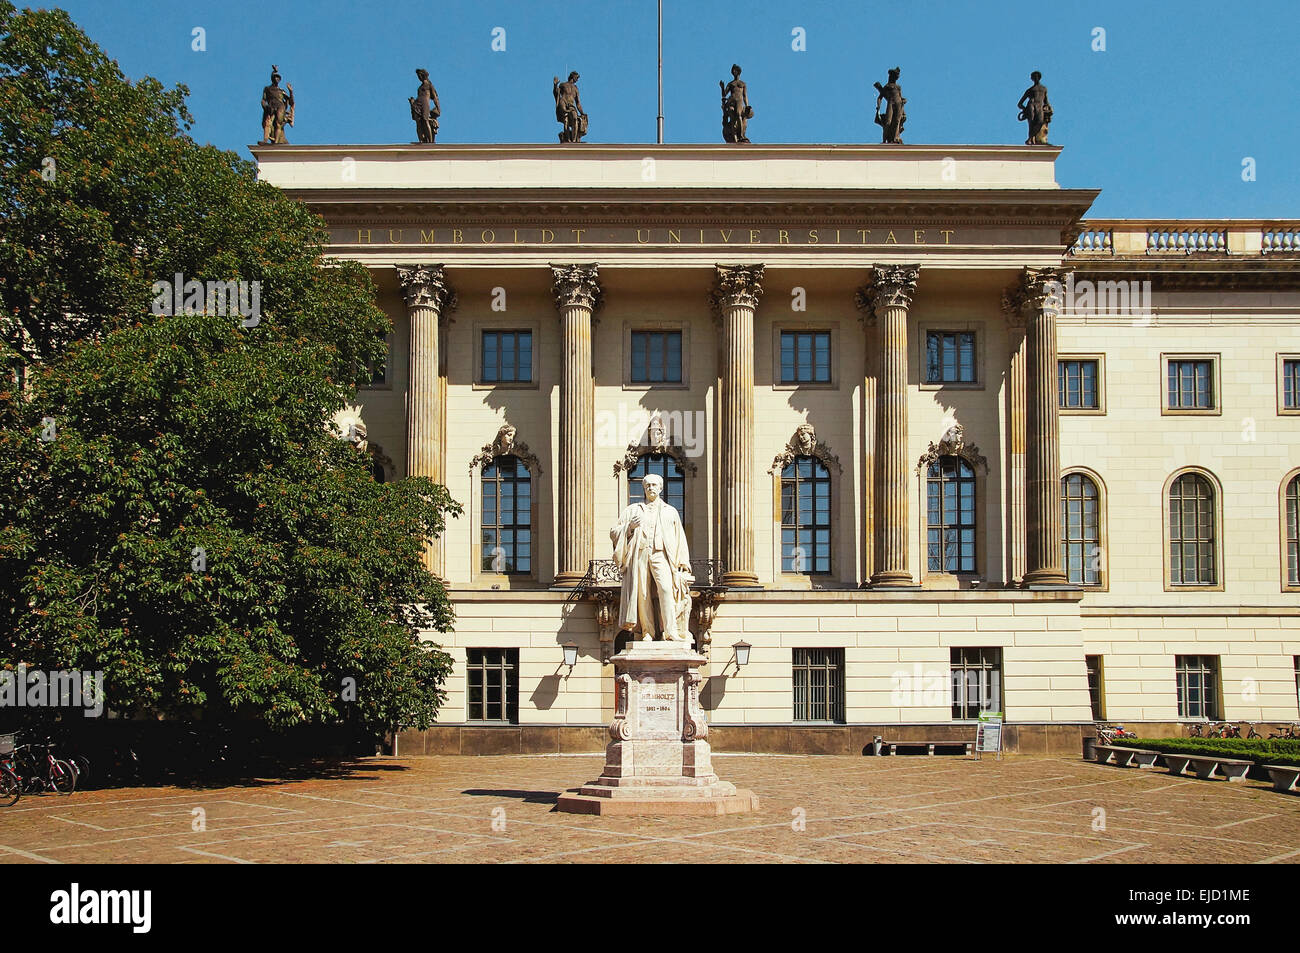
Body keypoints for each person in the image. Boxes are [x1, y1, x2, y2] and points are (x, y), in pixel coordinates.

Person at [610, 473, 693, 641]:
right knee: (643, 594)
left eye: (654, 485)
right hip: (640, 554)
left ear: (660, 488)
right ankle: (647, 632)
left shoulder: (670, 511)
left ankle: (670, 631)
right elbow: (614, 532)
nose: (650, 488)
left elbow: (679, 537)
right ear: (644, 488)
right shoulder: (633, 510)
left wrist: (683, 562)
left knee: (666, 590)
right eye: (647, 485)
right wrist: (629, 527)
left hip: (661, 555)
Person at [260, 65, 294, 145]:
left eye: (278, 78)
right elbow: (263, 100)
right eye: (275, 77)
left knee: (278, 124)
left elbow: (291, 102)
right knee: (267, 123)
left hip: (280, 107)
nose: (277, 79)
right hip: (271, 106)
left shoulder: (281, 91)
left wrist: (291, 92)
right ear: (272, 78)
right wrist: (265, 107)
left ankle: (276, 142)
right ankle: (265, 140)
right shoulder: (267, 89)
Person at [1017, 71, 1053, 145]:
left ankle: (1030, 138)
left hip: (1040, 106)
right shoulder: (1030, 90)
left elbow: (1046, 101)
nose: (1035, 78)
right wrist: (1025, 110)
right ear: (1032, 79)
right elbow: (1020, 104)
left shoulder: (1044, 89)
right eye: (1034, 77)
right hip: (1031, 105)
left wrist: (1049, 107)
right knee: (1032, 123)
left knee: (1040, 121)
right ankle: (1032, 140)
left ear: (1039, 78)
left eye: (1037, 76)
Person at [873, 67, 906, 144]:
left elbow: (900, 97)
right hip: (891, 103)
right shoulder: (887, 87)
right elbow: (880, 97)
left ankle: (895, 138)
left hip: (898, 104)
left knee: (897, 121)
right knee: (888, 122)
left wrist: (903, 105)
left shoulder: (898, 87)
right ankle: (884, 140)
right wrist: (878, 106)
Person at [720, 64, 752, 143]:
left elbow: (745, 96)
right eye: (733, 71)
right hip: (731, 101)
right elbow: (724, 94)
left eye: (736, 71)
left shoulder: (743, 84)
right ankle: (735, 137)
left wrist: (747, 105)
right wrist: (722, 87)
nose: (734, 72)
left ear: (738, 72)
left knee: (738, 115)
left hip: (739, 101)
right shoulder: (731, 84)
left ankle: (741, 136)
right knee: (732, 117)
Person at [553, 71, 586, 142]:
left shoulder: (576, 88)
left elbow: (578, 103)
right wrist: (555, 85)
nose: (577, 79)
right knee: (566, 121)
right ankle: (568, 139)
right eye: (577, 77)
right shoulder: (563, 85)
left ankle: (574, 140)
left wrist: (582, 113)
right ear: (573, 76)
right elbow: (556, 93)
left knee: (575, 118)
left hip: (571, 105)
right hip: (563, 102)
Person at [410, 68, 440, 143]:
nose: (419, 77)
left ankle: (430, 141)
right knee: (418, 122)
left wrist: (438, 107)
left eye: (419, 75)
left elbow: (435, 97)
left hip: (425, 104)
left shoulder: (429, 85)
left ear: (423, 75)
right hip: (417, 104)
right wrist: (413, 102)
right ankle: (421, 140)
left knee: (425, 120)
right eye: (418, 76)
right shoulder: (420, 87)